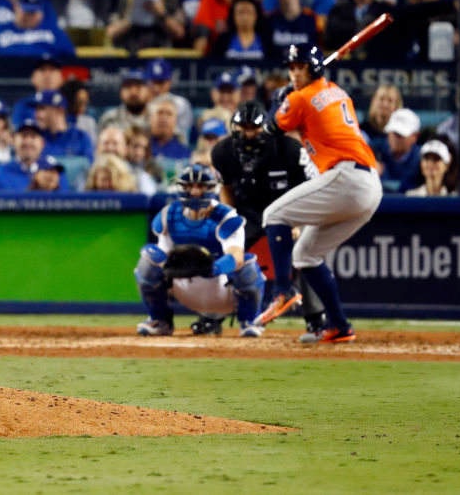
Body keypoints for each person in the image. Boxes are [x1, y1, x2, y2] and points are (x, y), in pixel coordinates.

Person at [258, 43, 382, 344]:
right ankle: (340, 326)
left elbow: (270, 129)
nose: (294, 73)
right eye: (291, 68)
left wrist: (279, 102)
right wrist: (286, 99)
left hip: (346, 178)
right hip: (368, 186)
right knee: (306, 255)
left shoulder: (302, 97)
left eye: (300, 67)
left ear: (312, 68)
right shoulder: (336, 91)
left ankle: (282, 291)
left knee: (273, 215)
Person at [210, 100, 328, 340]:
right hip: (247, 211)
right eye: (242, 128)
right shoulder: (222, 152)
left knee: (306, 254)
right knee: (224, 251)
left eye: (253, 128)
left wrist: (298, 222)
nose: (248, 133)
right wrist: (229, 222)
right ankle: (211, 315)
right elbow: (226, 189)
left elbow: (312, 188)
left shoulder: (290, 150)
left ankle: (316, 319)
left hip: (288, 209)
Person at [133, 164, 265, 338]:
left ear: (211, 188)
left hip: (220, 289)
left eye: (201, 186)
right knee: (147, 262)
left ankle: (249, 321)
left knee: (249, 266)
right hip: (185, 287)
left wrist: (211, 268)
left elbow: (236, 256)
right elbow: (162, 256)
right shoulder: (168, 215)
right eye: (190, 186)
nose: (195, 192)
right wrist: (173, 265)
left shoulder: (226, 217)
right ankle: (159, 320)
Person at [0, 0, 77, 58]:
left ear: (41, 12)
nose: (29, 16)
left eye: (33, 12)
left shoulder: (54, 32)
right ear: (15, 7)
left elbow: (71, 59)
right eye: (26, 11)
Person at [0, 119, 66, 191]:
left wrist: (53, 189)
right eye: (23, 136)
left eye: (33, 137)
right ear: (14, 140)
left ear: (42, 143)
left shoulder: (54, 172)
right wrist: (34, 187)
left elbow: (67, 203)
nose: (28, 141)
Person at [32, 89, 93, 160]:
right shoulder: (35, 139)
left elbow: (89, 167)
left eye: (41, 109)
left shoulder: (81, 138)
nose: (36, 115)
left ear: (59, 109)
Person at [378, 108, 421, 193]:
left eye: (400, 134)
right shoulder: (376, 151)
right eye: (392, 132)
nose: (395, 138)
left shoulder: (423, 158)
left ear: (415, 136)